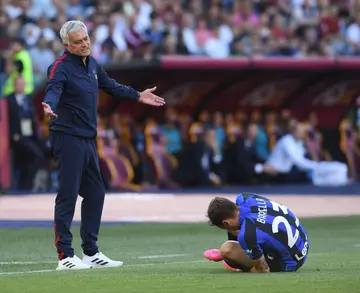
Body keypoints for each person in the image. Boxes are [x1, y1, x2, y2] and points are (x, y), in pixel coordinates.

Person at [42, 20, 165, 271]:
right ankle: (65, 256)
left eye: (86, 38)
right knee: (67, 194)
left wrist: (138, 95)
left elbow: (111, 86)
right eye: (78, 42)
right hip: (67, 137)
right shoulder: (59, 68)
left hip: (87, 138)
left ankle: (91, 253)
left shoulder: (93, 65)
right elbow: (53, 89)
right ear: (67, 45)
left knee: (96, 193)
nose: (85, 44)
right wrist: (48, 105)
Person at [204, 194, 310, 273]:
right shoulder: (245, 198)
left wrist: (254, 269)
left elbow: (263, 267)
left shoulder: (247, 235)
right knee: (252, 230)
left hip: (289, 263)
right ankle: (249, 249)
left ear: (225, 223)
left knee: (227, 249)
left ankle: (235, 259)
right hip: (303, 241)